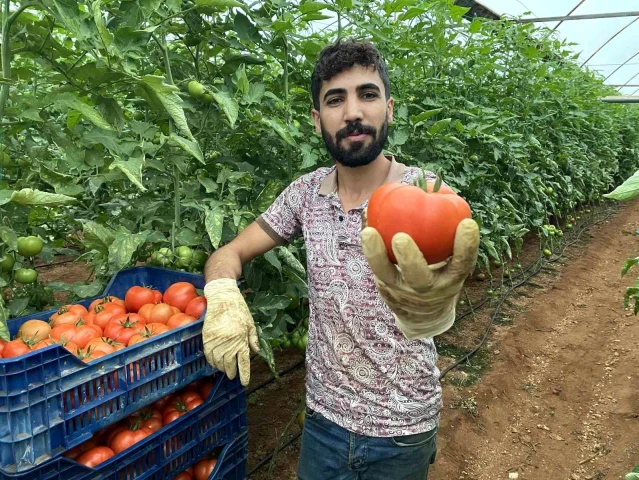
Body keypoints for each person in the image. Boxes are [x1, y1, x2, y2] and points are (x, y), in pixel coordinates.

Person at [201, 39, 480, 480]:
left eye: (367, 95)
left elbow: (448, 284)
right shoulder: (305, 194)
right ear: (318, 120)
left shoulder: (432, 197)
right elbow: (230, 251)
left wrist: (436, 311)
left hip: (402, 426)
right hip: (323, 424)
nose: (353, 112)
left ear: (389, 109)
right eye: (336, 99)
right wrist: (221, 291)